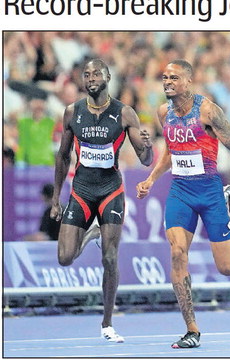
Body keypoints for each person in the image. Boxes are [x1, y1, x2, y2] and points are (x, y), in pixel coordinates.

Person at [136, 60, 230, 349]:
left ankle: (229, 226)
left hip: (210, 192)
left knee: (227, 268)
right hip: (181, 192)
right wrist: (151, 179)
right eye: (164, 77)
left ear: (188, 82)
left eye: (174, 77)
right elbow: (170, 152)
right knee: (177, 251)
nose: (167, 81)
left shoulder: (208, 111)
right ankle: (191, 328)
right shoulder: (163, 113)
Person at [50, 59, 153, 343]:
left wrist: (147, 147)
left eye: (97, 73)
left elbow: (146, 160)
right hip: (81, 191)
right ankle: (92, 232)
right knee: (65, 258)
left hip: (111, 192)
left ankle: (107, 323)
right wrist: (57, 198)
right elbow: (62, 156)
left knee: (110, 257)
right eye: (86, 74)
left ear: (108, 77)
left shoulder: (124, 113)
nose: (91, 77)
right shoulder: (73, 112)